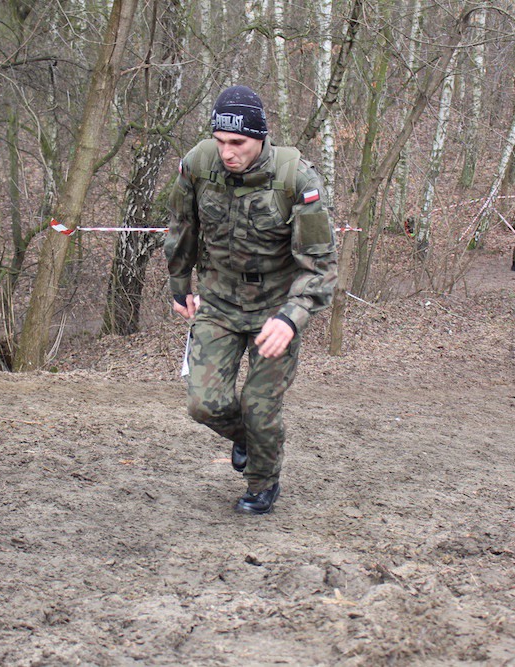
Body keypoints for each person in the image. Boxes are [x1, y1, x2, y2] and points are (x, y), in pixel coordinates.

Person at [165, 85, 338, 515]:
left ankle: (262, 482)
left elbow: (320, 265)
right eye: (220, 141)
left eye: (238, 143)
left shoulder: (296, 178)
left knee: (260, 407)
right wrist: (179, 283)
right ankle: (247, 438)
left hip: (274, 308)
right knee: (203, 404)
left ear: (260, 137)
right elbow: (183, 225)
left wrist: (292, 317)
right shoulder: (198, 165)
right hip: (218, 301)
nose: (227, 152)